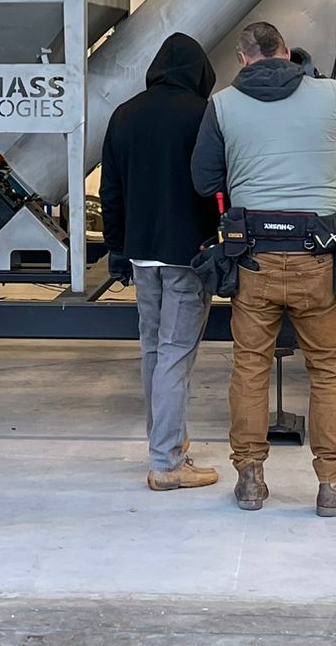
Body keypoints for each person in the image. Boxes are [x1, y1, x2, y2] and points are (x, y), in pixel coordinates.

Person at [192, 20, 336, 518]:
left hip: (253, 257)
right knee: (328, 370)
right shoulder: (328, 92)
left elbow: (204, 178)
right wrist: (315, 80)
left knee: (250, 365)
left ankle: (250, 479)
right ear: (287, 51)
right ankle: (334, 482)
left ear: (243, 58)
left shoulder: (223, 104)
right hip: (318, 255)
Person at [98, 32, 222, 492]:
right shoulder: (201, 114)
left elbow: (109, 190)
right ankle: (167, 461)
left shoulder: (124, 114)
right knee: (175, 351)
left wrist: (116, 247)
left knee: (153, 349)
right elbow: (213, 184)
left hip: (141, 253)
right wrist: (217, 237)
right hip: (188, 253)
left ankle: (167, 441)